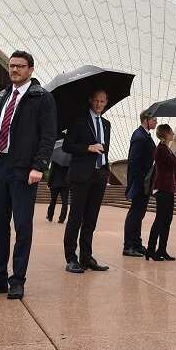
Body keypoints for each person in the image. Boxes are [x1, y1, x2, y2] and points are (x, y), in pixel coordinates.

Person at [0, 51, 57, 300]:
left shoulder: (42, 98)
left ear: (31, 69)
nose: (14, 70)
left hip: (23, 170)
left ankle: (17, 279)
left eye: (20, 66)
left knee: (22, 225)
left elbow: (48, 135)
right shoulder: (3, 95)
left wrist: (39, 166)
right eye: (11, 66)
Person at [62, 89, 112, 273]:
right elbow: (67, 145)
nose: (99, 104)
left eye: (102, 101)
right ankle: (71, 258)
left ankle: (86, 257)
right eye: (96, 100)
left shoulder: (106, 124)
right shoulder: (79, 120)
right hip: (81, 176)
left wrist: (105, 170)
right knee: (75, 218)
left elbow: (105, 148)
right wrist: (88, 147)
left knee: (91, 219)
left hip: (99, 175)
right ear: (90, 100)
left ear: (106, 102)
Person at [145, 123, 176, 261]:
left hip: (168, 189)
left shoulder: (166, 149)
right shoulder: (161, 149)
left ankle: (162, 249)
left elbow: (172, 167)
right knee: (160, 220)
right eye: (171, 132)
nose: (173, 134)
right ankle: (151, 250)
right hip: (162, 189)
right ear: (166, 134)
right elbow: (175, 164)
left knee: (167, 220)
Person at [122, 110, 157, 257]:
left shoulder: (145, 135)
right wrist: (141, 182)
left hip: (143, 182)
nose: (156, 122)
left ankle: (136, 243)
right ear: (146, 120)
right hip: (140, 182)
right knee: (135, 213)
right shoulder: (139, 136)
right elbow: (134, 162)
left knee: (139, 213)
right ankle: (128, 246)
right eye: (154, 119)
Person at [46, 155, 68, 223]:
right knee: (65, 202)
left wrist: (49, 183)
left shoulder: (55, 159)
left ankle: (50, 216)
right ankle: (62, 219)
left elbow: (52, 172)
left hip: (55, 183)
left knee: (53, 200)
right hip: (65, 184)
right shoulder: (69, 160)